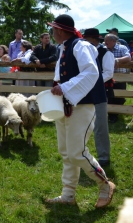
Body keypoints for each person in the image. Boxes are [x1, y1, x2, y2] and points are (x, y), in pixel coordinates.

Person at [46, 14, 115, 208]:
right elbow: (61, 76)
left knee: (77, 153)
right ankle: (68, 195)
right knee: (66, 152)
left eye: (53, 29)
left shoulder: (81, 46)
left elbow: (91, 72)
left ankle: (105, 184)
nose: (52, 33)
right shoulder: (64, 48)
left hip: (82, 105)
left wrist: (66, 87)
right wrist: (57, 89)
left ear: (60, 30)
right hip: (65, 105)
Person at [83, 28, 113, 167]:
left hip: (99, 91)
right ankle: (81, 153)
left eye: (86, 40)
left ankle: (104, 156)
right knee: (82, 124)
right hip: (84, 92)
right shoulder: (83, 53)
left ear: (94, 40)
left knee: (100, 125)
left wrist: (92, 80)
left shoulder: (106, 53)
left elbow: (108, 73)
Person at [104, 33, 131, 123]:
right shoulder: (103, 48)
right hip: (108, 77)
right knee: (109, 96)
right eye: (105, 40)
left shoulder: (122, 48)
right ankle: (112, 116)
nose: (105, 42)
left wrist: (116, 60)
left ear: (113, 41)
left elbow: (128, 57)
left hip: (120, 77)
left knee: (119, 96)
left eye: (107, 40)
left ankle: (115, 113)